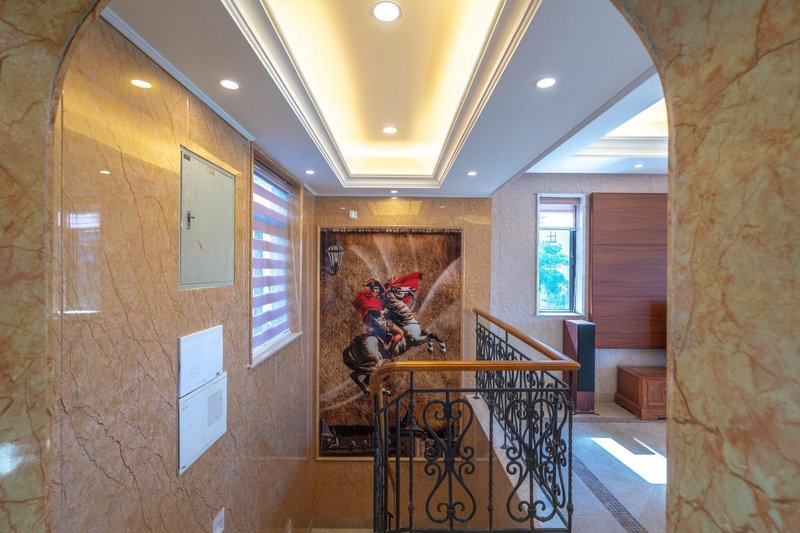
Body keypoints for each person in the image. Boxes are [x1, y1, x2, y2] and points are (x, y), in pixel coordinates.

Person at [353, 278, 404, 354]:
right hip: (376, 319)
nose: (377, 290)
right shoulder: (371, 298)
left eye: (378, 289)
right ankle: (391, 351)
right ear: (372, 289)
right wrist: (383, 311)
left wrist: (389, 282)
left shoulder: (373, 298)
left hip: (370, 321)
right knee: (400, 332)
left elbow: (384, 291)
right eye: (375, 289)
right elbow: (373, 312)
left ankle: (384, 340)